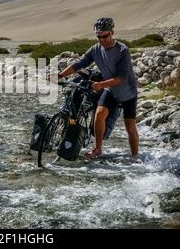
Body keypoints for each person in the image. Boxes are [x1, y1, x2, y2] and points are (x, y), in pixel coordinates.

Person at [55, 17, 139, 160]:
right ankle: (98, 149)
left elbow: (121, 78)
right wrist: (60, 75)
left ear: (112, 32)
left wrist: (100, 85)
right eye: (98, 37)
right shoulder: (95, 49)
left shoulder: (122, 50)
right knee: (99, 114)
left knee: (129, 126)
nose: (101, 40)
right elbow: (79, 64)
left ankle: (135, 156)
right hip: (111, 90)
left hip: (128, 92)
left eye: (104, 36)